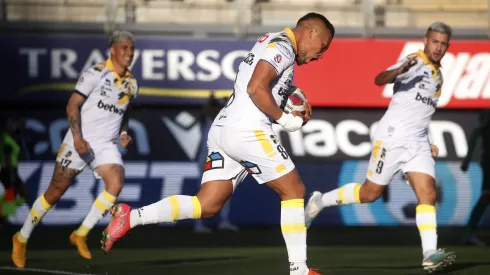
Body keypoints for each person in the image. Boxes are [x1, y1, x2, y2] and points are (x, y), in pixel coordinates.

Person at [101, 12, 334, 275]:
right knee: (294, 190)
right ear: (312, 32)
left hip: (225, 128)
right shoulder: (283, 47)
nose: (320, 55)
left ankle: (130, 217)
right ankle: (299, 270)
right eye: (322, 47)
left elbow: (260, 86)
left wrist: (285, 99)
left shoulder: (270, 39)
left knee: (207, 205)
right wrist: (284, 118)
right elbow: (256, 88)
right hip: (248, 130)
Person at [304, 22, 456, 273]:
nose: (437, 47)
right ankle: (320, 201)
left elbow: (419, 113)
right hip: (393, 138)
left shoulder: (439, 75)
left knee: (427, 193)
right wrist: (398, 71)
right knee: (370, 193)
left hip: (418, 142)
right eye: (434, 42)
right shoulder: (414, 61)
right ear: (425, 41)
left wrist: (427, 141)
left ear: (447, 47)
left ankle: (430, 255)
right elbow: (379, 79)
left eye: (442, 44)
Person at [11, 30, 138, 268]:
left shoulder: (132, 83)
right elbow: (72, 104)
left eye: (131, 49)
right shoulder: (95, 73)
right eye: (124, 48)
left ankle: (80, 233)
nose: (129, 53)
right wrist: (78, 138)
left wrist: (122, 133)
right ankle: (21, 237)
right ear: (112, 49)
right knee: (55, 192)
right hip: (80, 140)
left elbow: (126, 113)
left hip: (106, 144)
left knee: (117, 181)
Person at [194, 91, 238, 233]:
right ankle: (199, 224)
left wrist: (225, 104)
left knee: (225, 189)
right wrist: (212, 102)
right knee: (203, 191)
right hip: (206, 160)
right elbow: (206, 112)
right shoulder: (206, 120)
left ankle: (224, 221)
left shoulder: (226, 122)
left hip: (222, 160)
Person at [461, 109, 490, 246]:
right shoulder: (487, 113)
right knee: (486, 196)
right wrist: (467, 159)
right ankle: (469, 233)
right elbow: (475, 135)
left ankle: (469, 233)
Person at [0, 116, 29, 228]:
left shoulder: (5, 137)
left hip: (8, 170)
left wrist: (20, 122)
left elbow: (16, 127)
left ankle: (2, 217)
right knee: (20, 195)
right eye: (9, 124)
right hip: (9, 170)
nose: (11, 126)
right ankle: (3, 218)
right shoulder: (6, 140)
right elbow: (7, 157)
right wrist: (11, 174)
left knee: (10, 197)